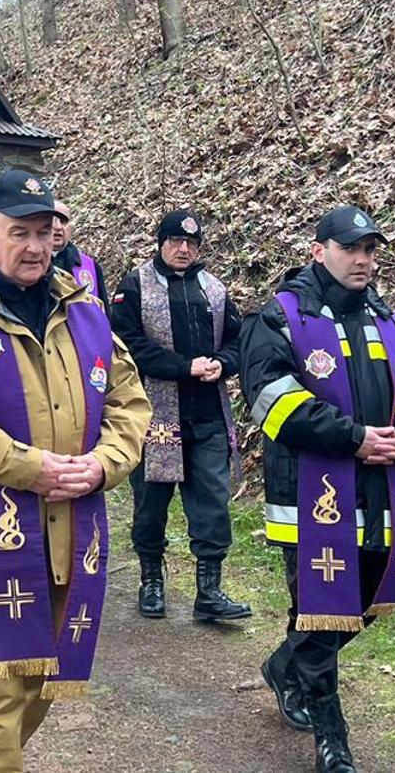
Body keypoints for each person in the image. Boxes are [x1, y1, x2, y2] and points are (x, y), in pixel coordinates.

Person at [0, 169, 150, 770]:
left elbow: (128, 402)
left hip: (72, 535)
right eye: (20, 232)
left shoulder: (85, 312)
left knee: (38, 684)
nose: (36, 245)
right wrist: (29, 467)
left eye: (46, 231)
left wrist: (102, 465)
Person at [240, 205, 395, 773]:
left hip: (380, 492)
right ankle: (333, 740)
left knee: (368, 599)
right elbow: (273, 402)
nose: (363, 260)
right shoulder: (280, 318)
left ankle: (286, 665)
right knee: (322, 610)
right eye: (352, 248)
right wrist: (353, 439)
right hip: (311, 497)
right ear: (318, 251)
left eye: (371, 250)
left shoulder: (388, 319)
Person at [110, 210, 250, 624]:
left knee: (212, 502)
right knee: (151, 503)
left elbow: (238, 342)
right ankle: (151, 580)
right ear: (160, 243)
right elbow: (127, 345)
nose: (183, 249)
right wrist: (183, 366)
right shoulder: (135, 286)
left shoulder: (215, 289)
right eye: (174, 241)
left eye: (191, 243)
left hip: (206, 416)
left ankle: (209, 590)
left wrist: (222, 364)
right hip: (155, 415)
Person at [51, 200, 105, 302]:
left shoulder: (90, 266)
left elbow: (102, 313)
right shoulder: (29, 265)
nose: (58, 227)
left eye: (63, 221)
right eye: (51, 221)